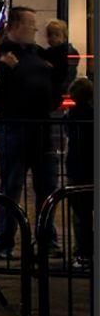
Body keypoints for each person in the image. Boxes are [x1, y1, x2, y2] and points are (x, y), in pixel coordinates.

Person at [0, 6, 59, 259]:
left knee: (47, 188)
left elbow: (53, 89)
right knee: (11, 187)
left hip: (41, 130)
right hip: (16, 128)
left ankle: (47, 240)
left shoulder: (37, 54)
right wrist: (5, 70)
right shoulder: (1, 56)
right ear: (15, 27)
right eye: (30, 25)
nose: (35, 29)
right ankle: (4, 242)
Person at [65, 77, 93, 271]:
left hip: (77, 169)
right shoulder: (92, 115)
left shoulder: (70, 118)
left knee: (80, 215)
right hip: (90, 167)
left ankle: (82, 252)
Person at [41, 19, 79, 111]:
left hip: (58, 91)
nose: (53, 38)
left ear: (64, 37)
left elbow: (65, 74)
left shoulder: (65, 52)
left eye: (56, 35)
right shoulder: (48, 52)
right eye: (50, 35)